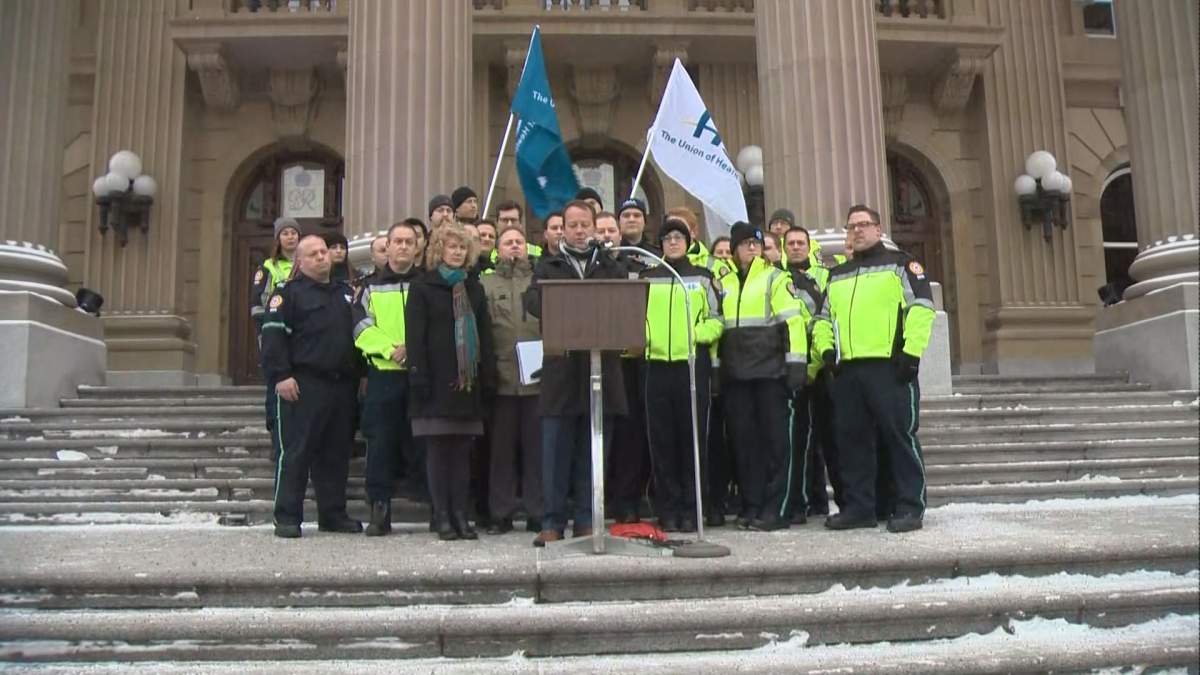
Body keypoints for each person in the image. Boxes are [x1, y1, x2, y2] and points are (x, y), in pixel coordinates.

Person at [813, 205, 935, 534]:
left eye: (864, 225)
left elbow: (921, 308)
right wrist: (826, 352)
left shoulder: (901, 265)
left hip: (889, 366)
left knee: (899, 438)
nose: (857, 231)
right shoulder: (837, 275)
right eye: (851, 226)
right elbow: (823, 320)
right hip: (849, 371)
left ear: (878, 230)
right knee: (852, 442)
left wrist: (911, 354)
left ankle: (910, 506)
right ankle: (859, 507)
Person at [523, 199, 629, 547]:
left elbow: (623, 300)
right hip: (562, 373)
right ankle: (552, 521)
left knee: (593, 452)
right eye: (573, 225)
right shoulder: (548, 265)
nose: (580, 230)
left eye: (586, 225)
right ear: (562, 229)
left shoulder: (609, 264)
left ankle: (587, 518)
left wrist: (611, 261)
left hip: (601, 371)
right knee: (555, 454)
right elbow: (533, 302)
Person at [260, 234, 363, 538]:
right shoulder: (287, 294)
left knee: (335, 454)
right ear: (300, 262)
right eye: (313, 254)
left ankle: (333, 514)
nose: (321, 257)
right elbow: (273, 336)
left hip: (341, 385)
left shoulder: (345, 293)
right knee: (295, 451)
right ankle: (287, 516)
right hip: (302, 383)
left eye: (323, 252)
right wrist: (280, 375)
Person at [405, 222, 496, 541]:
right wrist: (419, 377)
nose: (457, 252)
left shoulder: (474, 287)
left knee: (462, 453)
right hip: (434, 382)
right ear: (438, 250)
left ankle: (461, 514)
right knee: (438, 452)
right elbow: (415, 338)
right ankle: (441, 514)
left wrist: (487, 376)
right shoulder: (422, 287)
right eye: (451, 247)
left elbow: (484, 334)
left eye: (462, 248)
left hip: (466, 384)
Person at [719, 222, 808, 531]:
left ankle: (776, 508)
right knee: (744, 446)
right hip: (736, 376)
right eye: (745, 244)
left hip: (770, 374)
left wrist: (796, 365)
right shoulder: (724, 283)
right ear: (733, 250)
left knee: (775, 444)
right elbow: (719, 329)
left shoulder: (775, 278)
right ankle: (752, 504)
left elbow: (793, 323)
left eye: (756, 243)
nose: (752, 248)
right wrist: (718, 372)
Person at [640, 218, 723, 532]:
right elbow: (636, 317)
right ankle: (668, 508)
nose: (673, 242)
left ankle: (693, 508)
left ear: (688, 242)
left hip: (691, 366)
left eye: (679, 237)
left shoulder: (703, 277)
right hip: (657, 366)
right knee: (662, 441)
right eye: (667, 237)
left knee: (692, 439)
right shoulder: (648, 277)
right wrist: (647, 338)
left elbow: (718, 318)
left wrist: (697, 335)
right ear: (660, 243)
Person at [354, 221, 425, 536]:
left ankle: (430, 504)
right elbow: (360, 327)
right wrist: (389, 349)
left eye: (409, 242)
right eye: (398, 241)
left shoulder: (426, 283)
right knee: (380, 446)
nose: (403, 247)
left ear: (417, 247)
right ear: (389, 245)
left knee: (422, 443)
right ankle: (379, 509)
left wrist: (415, 350)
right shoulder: (370, 286)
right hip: (384, 375)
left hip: (420, 374)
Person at [480, 226, 544, 534]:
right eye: (508, 242)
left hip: (537, 378)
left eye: (519, 241)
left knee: (536, 450)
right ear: (498, 248)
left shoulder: (540, 281)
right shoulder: (486, 283)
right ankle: (500, 513)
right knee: (501, 452)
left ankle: (537, 511)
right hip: (502, 378)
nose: (515, 246)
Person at [598, 209, 651, 522]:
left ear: (620, 236)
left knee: (629, 437)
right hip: (597, 360)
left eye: (611, 231)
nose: (606, 237)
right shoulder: (587, 269)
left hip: (629, 363)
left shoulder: (636, 267)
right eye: (601, 231)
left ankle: (627, 500)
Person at [782, 226, 830, 523]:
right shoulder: (777, 278)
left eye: (801, 243)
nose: (796, 247)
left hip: (818, 370)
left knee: (820, 443)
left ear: (808, 246)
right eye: (791, 243)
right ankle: (798, 502)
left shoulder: (821, 277)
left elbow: (822, 322)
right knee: (797, 442)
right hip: (788, 371)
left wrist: (813, 367)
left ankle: (819, 501)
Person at [251, 216, 301, 460]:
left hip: (300, 337)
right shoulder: (268, 267)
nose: (290, 236)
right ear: (278, 239)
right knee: (275, 387)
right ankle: (275, 436)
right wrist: (265, 333)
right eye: (285, 233)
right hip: (275, 333)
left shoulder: (306, 263)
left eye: (294, 232)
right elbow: (258, 303)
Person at [618, 198, 661, 268]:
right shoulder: (612, 252)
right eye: (626, 215)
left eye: (637, 215)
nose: (631, 220)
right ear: (619, 222)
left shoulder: (657, 255)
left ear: (645, 222)